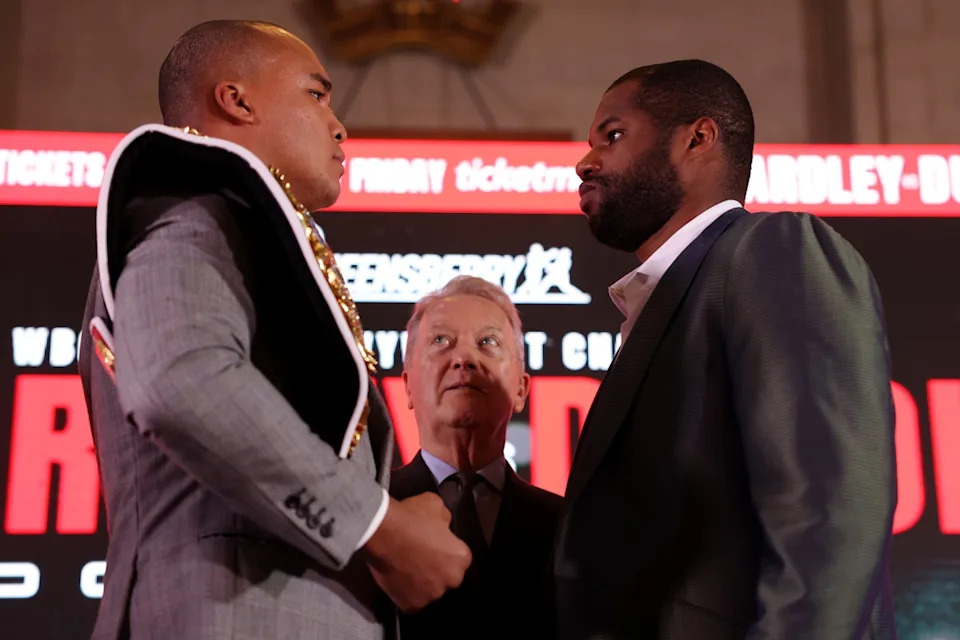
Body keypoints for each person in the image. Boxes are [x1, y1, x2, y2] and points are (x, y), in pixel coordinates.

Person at [78, 20, 469, 640]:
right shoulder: (194, 210)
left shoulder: (237, 230)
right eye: (317, 94)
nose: (340, 125)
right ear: (236, 99)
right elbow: (183, 380)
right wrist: (379, 526)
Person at [553, 59, 897, 639]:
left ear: (697, 138)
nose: (584, 162)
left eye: (613, 136)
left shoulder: (773, 252)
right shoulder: (665, 305)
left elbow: (829, 518)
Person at [390, 275, 561, 639]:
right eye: (440, 341)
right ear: (407, 386)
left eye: (488, 342)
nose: (464, 358)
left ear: (520, 388)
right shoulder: (372, 513)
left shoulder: (567, 527)